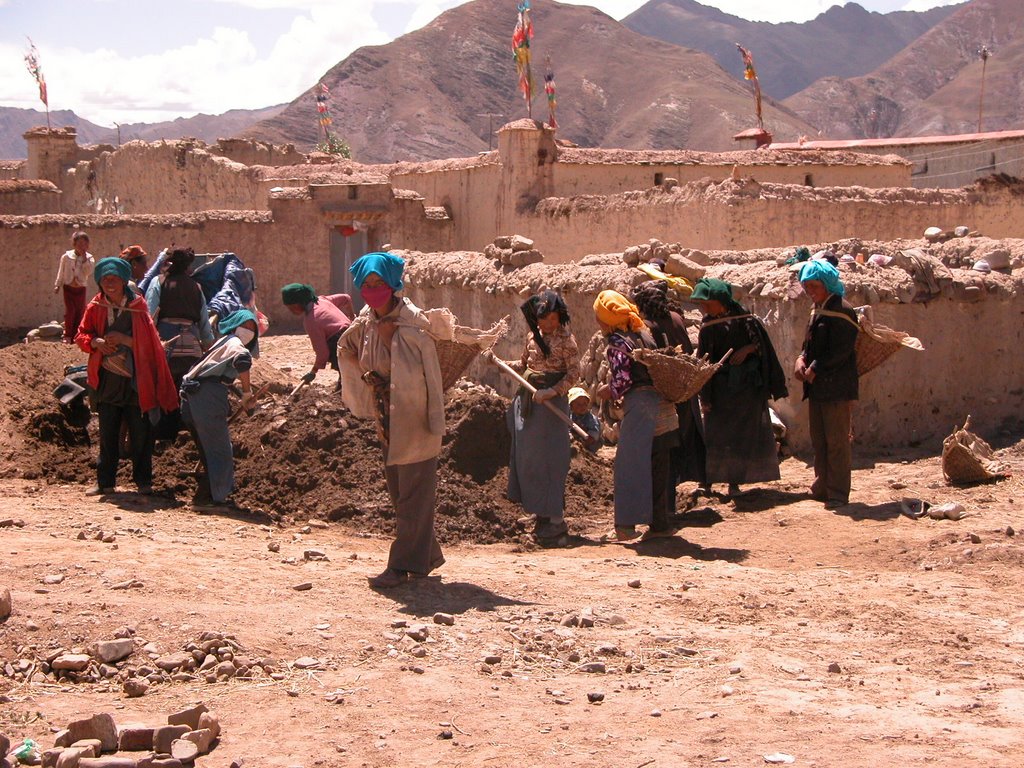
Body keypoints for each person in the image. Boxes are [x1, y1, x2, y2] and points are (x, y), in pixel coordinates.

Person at [339, 252, 447, 588]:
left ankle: (401, 566)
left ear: (393, 284)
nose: (373, 290)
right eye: (367, 284)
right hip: (386, 416)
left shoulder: (411, 322)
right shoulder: (367, 319)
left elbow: (423, 371)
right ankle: (425, 555)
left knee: (414, 489)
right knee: (400, 490)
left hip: (414, 417)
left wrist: (391, 340)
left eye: (379, 283)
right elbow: (348, 346)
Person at [75, 257, 178, 496]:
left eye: (114, 279)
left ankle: (143, 482)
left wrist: (124, 340)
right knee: (108, 432)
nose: (110, 284)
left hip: (135, 380)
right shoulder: (95, 307)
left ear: (123, 281)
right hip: (108, 379)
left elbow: (151, 344)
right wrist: (96, 342)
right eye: (105, 280)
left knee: (140, 432)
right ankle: (105, 483)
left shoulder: (138, 308)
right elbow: (82, 334)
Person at [593, 290, 678, 542]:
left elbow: (623, 380)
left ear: (607, 319)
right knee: (657, 464)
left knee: (628, 466)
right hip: (662, 407)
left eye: (599, 318)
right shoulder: (644, 334)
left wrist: (607, 390)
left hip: (639, 407)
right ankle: (660, 525)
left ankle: (626, 527)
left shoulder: (618, 343)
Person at [690, 278, 788, 498]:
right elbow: (704, 364)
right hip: (720, 392)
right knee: (715, 436)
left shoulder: (746, 321)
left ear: (720, 301)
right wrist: (705, 396)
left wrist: (749, 349)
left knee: (741, 436)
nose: (703, 308)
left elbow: (764, 348)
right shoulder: (708, 327)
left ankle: (736, 481)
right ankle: (708, 482)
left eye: (707, 303)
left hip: (746, 391)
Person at [500, 290, 580, 544]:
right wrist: (499, 362)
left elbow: (574, 373)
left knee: (551, 460)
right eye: (543, 319)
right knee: (530, 459)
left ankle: (555, 519)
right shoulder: (532, 338)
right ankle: (538, 512)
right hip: (531, 404)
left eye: (553, 319)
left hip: (551, 408)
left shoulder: (567, 341)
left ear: (560, 317)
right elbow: (525, 365)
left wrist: (552, 391)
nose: (548, 324)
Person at [631, 280, 708, 506]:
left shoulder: (647, 326)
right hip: (685, 391)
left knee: (664, 449)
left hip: (664, 395)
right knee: (678, 442)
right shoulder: (676, 318)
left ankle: (666, 505)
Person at [179, 309, 260, 511]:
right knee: (220, 451)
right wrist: (247, 392)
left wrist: (236, 392)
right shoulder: (234, 343)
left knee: (209, 450)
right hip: (206, 396)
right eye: (245, 326)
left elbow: (217, 372)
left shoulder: (221, 343)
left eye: (252, 328)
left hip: (193, 396)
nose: (248, 331)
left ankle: (205, 495)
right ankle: (213, 499)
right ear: (234, 326)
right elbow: (242, 360)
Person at [795, 260, 859, 508]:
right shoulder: (818, 309)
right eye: (806, 286)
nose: (810, 291)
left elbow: (841, 350)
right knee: (819, 440)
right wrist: (801, 359)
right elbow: (809, 344)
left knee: (837, 442)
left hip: (836, 387)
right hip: (818, 388)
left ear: (827, 283)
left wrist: (815, 368)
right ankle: (822, 485)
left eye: (814, 286)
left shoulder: (843, 310)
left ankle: (838, 493)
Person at [146, 248, 214, 438]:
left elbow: (149, 316)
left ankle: (162, 434)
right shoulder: (196, 287)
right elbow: (204, 322)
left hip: (165, 345)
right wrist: (208, 345)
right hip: (191, 348)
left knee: (164, 389)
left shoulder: (158, 282)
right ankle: (186, 432)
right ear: (188, 267)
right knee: (186, 392)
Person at [281, 283, 354, 391]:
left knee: (347, 377)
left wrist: (313, 372)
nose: (291, 311)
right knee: (348, 374)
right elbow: (346, 298)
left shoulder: (311, 320)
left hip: (340, 342)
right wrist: (352, 317)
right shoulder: (322, 300)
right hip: (353, 335)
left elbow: (323, 353)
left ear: (297, 304)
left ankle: (344, 397)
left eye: (291, 308)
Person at [54, 231, 95, 343]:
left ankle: (77, 335)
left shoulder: (90, 258)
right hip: (68, 288)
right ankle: (68, 335)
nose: (82, 247)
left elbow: (88, 272)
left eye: (85, 244)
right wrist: (58, 284)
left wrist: (85, 259)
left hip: (80, 288)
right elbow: (61, 271)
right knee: (70, 311)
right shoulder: (66, 257)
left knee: (80, 311)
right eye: (79, 244)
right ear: (74, 244)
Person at [568, 387, 602, 454]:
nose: (582, 407)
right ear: (571, 406)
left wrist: (585, 442)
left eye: (585, 404)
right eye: (578, 404)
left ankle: (588, 452)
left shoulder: (591, 419)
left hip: (591, 443)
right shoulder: (571, 417)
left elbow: (594, 435)